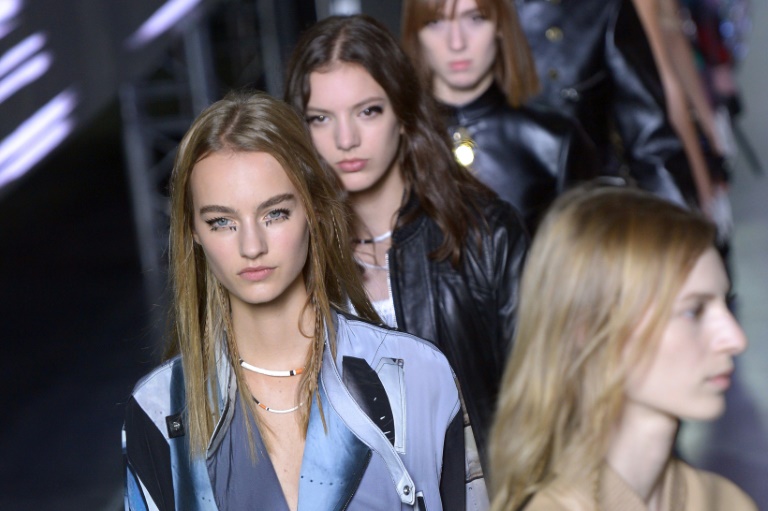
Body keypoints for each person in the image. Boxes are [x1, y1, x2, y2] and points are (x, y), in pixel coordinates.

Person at [122, 91, 469, 511]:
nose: (252, 246)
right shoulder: (160, 408)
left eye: (275, 214)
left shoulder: (417, 374)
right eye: (222, 222)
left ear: (313, 209)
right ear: (193, 231)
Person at [284, 14, 528, 474]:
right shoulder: (295, 252)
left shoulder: (485, 233)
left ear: (402, 112)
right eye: (321, 118)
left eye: (368, 111)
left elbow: (539, 398)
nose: (346, 139)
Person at [488, 185, 756, 510]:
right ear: (589, 330)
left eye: (725, 303)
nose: (735, 338)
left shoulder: (726, 500)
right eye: (693, 311)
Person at [401, 0, 600, 231]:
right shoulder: (394, 138)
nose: (457, 43)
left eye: (475, 18)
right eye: (435, 22)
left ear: (500, 25)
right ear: (415, 31)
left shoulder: (554, 141)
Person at [515, 0, 700, 208]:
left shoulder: (599, 7)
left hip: (592, 204)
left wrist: (682, 217)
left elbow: (650, 137)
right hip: (505, 203)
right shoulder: (492, 15)